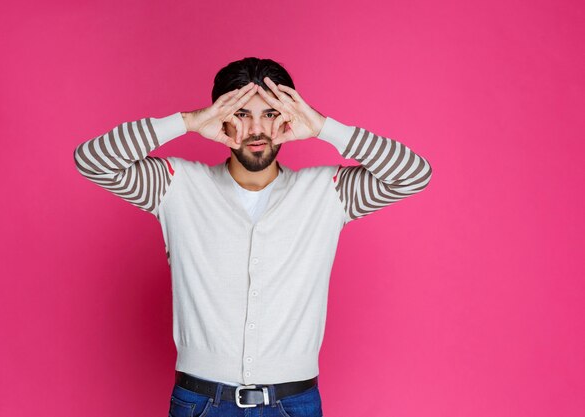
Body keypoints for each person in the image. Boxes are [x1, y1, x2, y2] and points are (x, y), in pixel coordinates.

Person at [73, 57, 432, 417]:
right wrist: (188, 122)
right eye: (242, 114)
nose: (256, 130)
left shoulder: (328, 192)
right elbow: (92, 160)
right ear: (222, 115)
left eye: (270, 114)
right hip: (200, 402)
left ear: (289, 117)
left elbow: (414, 174)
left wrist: (324, 127)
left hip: (294, 403)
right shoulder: (175, 186)